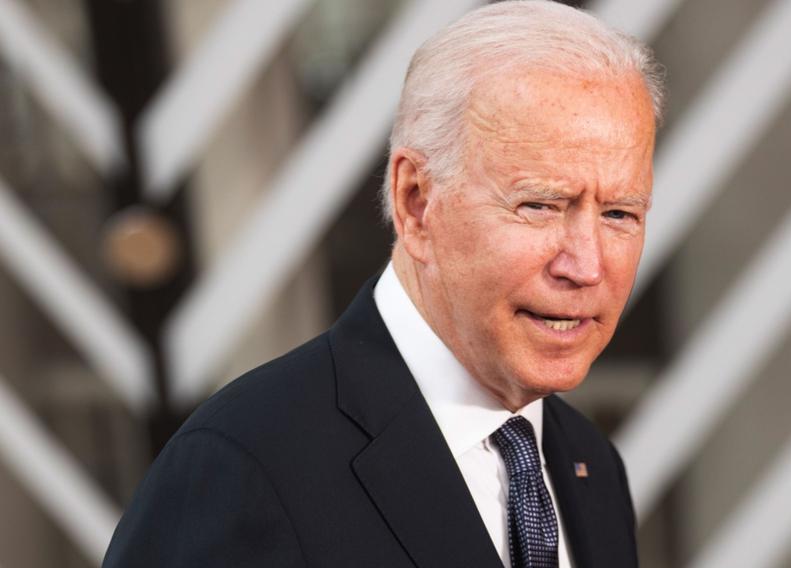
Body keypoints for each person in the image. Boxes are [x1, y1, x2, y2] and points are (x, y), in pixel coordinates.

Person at [102, 1, 663, 567]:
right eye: (540, 205)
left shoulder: (588, 465)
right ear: (416, 204)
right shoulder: (244, 468)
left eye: (619, 214)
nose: (586, 265)